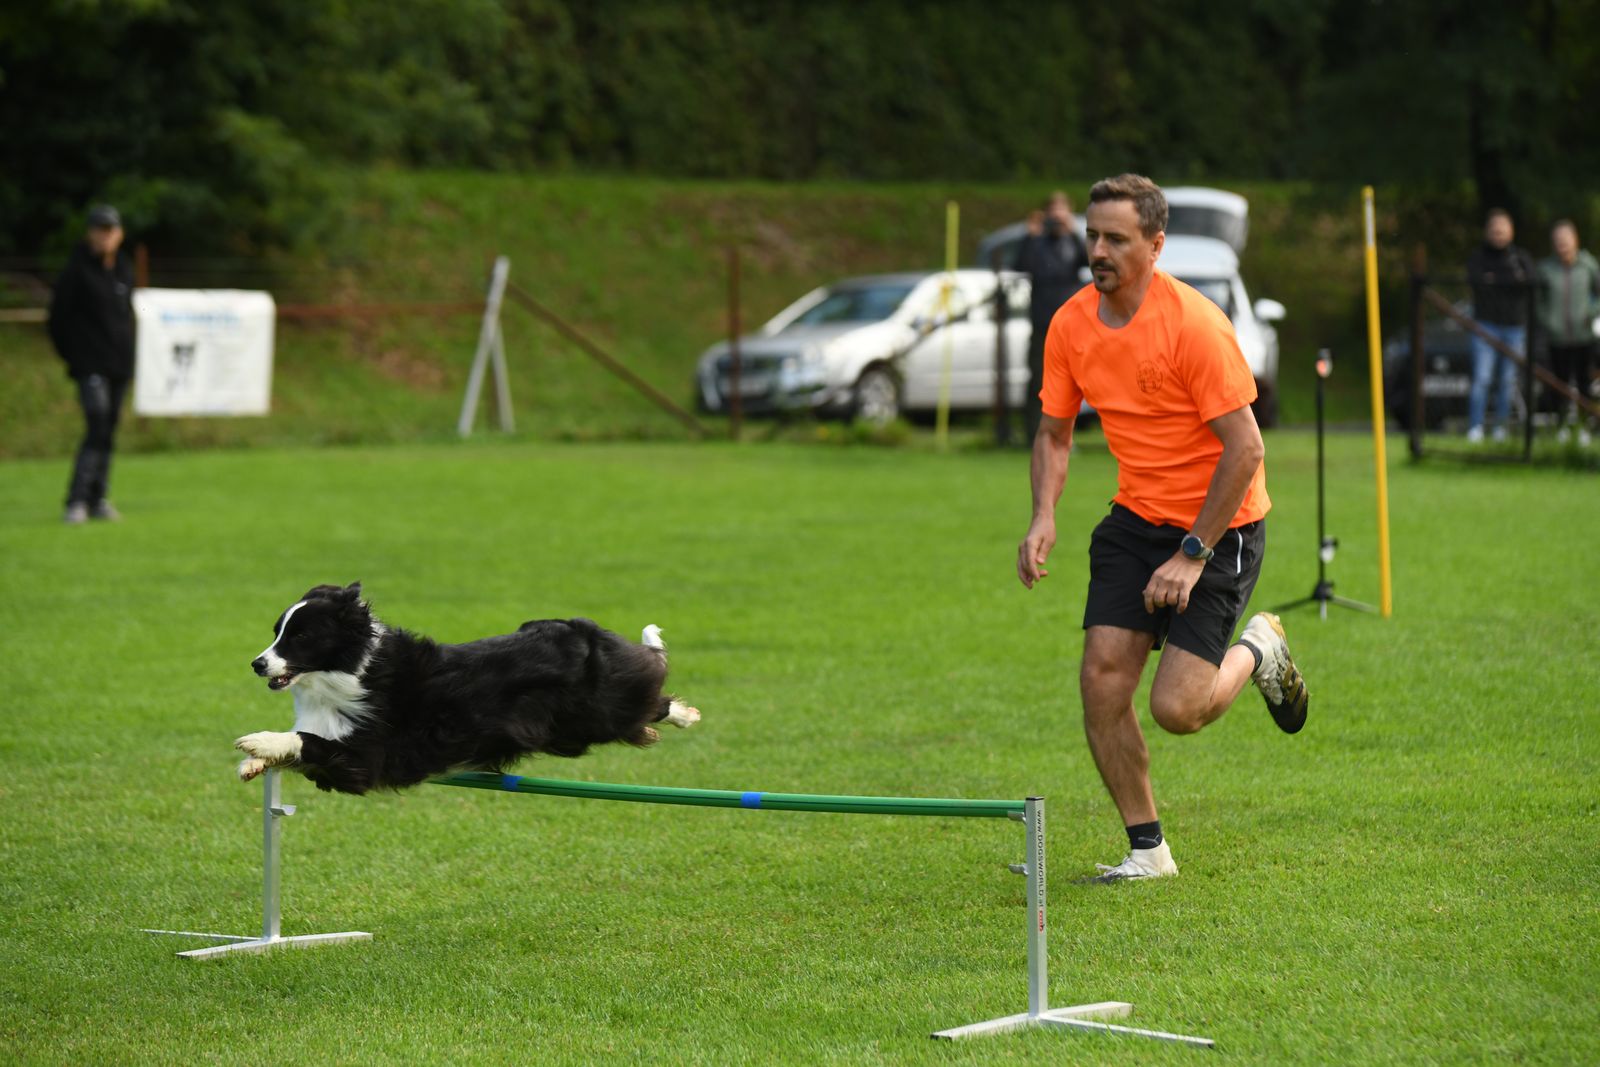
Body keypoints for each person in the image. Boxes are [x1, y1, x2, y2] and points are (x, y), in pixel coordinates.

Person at [1015, 174, 1307, 882]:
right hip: (1135, 517)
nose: (1098, 250)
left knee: (1178, 708)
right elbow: (1054, 433)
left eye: (1116, 239)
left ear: (1155, 245)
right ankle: (1148, 850)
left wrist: (1192, 553)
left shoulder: (1195, 325)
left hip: (1221, 523)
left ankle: (1259, 649)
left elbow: (1246, 451)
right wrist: (1044, 513)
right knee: (1101, 682)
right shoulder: (1071, 324)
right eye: (1093, 236)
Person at [48, 204, 135, 524]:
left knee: (108, 429)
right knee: (96, 423)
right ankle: (77, 500)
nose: (105, 236)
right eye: (100, 230)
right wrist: (75, 357)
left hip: (119, 365)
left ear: (119, 234)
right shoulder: (76, 270)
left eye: (110, 230)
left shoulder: (123, 269)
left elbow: (126, 317)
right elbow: (57, 319)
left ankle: (98, 498)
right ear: (90, 233)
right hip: (90, 365)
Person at [1014, 191, 1088, 440]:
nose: (1056, 218)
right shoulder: (1037, 242)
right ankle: (1033, 433)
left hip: (1070, 323)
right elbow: (1020, 266)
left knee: (1071, 380)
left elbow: (1089, 260)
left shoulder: (1072, 241)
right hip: (1042, 322)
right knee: (1039, 378)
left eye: (1061, 211)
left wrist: (1074, 231)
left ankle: (1065, 434)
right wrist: (1030, 236)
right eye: (1052, 212)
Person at [1464, 209, 1536, 444]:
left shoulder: (1520, 258)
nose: (1498, 234)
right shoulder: (1478, 257)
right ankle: (1475, 427)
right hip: (1485, 327)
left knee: (1508, 381)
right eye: (1494, 230)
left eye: (1502, 229)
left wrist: (1496, 280)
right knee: (1482, 378)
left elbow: (1529, 282)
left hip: (1514, 328)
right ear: (1487, 232)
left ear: (1511, 232)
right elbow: (1478, 283)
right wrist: (1509, 281)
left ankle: (1500, 428)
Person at [1536, 219, 1600, 446]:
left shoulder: (1588, 265)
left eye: (1566, 239)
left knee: (1584, 383)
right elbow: (1538, 301)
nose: (1562, 244)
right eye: (1558, 240)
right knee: (1558, 384)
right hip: (1557, 338)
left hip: (1584, 336)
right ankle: (1561, 426)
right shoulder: (1545, 269)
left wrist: (1592, 312)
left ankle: (1585, 426)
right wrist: (1548, 320)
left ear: (1575, 240)